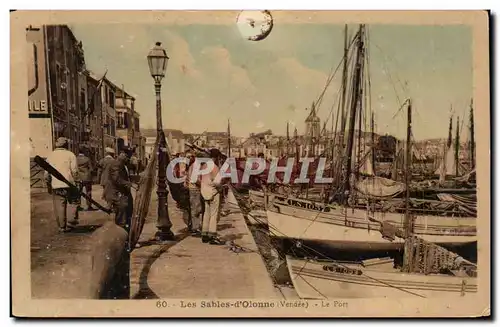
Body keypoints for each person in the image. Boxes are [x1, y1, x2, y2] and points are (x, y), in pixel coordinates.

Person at [44, 137, 80, 233]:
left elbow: (46, 173)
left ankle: (62, 227)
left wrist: (48, 183)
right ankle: (71, 222)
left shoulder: (51, 156)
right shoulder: (70, 155)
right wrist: (77, 182)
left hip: (56, 184)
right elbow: (75, 171)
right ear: (66, 145)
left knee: (59, 205)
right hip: (69, 184)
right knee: (74, 202)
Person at [104, 147, 134, 232]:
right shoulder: (116, 164)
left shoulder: (122, 164)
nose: (128, 159)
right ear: (123, 154)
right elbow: (116, 179)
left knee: (126, 213)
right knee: (122, 216)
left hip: (121, 193)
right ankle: (122, 236)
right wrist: (127, 183)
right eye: (127, 157)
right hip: (117, 194)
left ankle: (125, 235)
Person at [200, 149, 225, 245]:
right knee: (214, 215)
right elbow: (217, 182)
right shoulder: (215, 168)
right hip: (213, 193)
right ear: (217, 157)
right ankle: (212, 236)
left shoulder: (204, 166)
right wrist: (221, 187)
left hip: (204, 193)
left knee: (206, 213)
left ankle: (204, 235)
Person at [184, 153, 204, 237]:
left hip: (192, 189)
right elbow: (195, 179)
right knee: (196, 209)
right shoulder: (196, 166)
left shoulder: (193, 165)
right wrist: (204, 185)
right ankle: (195, 229)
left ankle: (194, 227)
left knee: (195, 208)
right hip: (195, 189)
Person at [76, 145, 95, 211]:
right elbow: (91, 169)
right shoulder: (87, 159)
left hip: (79, 177)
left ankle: (78, 205)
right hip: (87, 177)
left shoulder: (76, 159)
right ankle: (89, 206)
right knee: (88, 192)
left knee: (78, 192)